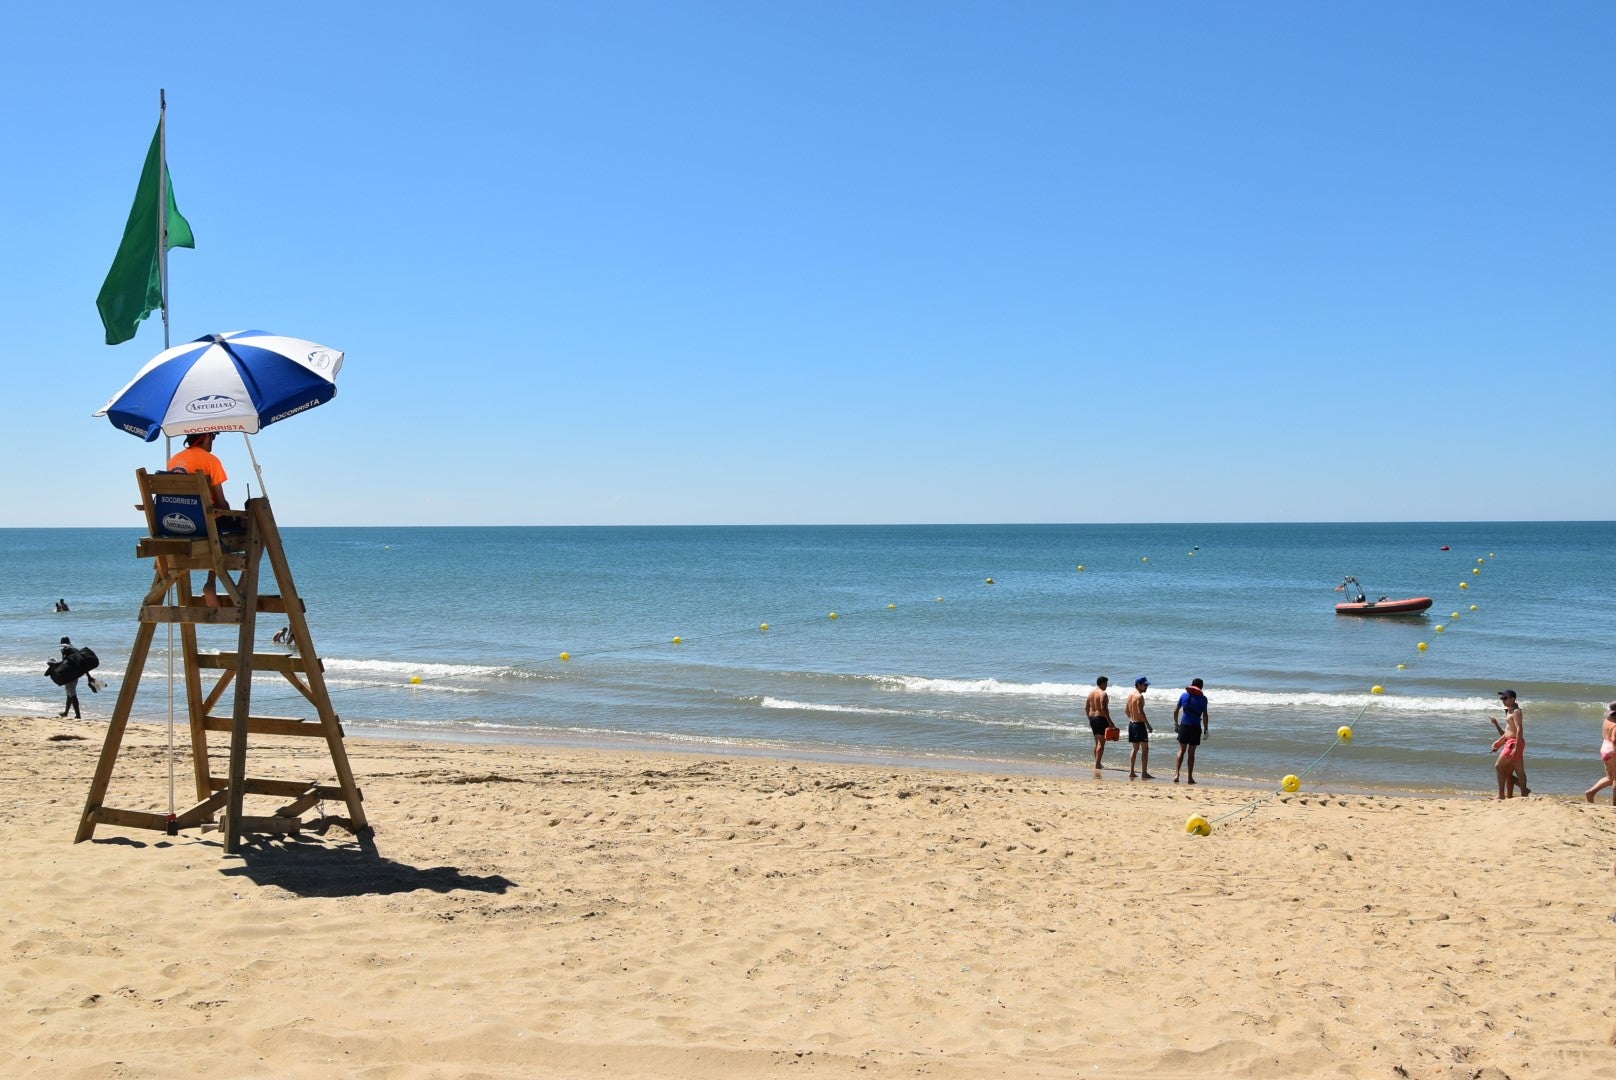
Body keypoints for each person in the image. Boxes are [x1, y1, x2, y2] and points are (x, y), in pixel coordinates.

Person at [167, 431, 232, 606]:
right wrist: (229, 511)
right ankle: (212, 585)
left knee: (215, 530)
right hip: (204, 526)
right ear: (204, 437)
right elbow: (220, 502)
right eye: (213, 436)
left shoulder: (174, 460)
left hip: (175, 525)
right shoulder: (211, 461)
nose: (213, 441)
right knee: (254, 531)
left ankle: (214, 586)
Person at [1490, 689, 1529, 799]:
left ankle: (1501, 795)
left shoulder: (1516, 712)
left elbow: (1519, 729)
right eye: (1502, 698)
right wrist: (1498, 743)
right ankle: (1523, 794)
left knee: (1499, 766)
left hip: (1514, 743)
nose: (1503, 700)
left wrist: (1516, 746)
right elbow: (1508, 732)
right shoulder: (1510, 710)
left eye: (1504, 698)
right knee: (1519, 770)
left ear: (1512, 699)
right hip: (1514, 742)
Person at [1173, 678, 1210, 784]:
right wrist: (1206, 729)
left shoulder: (1184, 696)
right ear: (1201, 687)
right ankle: (1189, 777)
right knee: (1191, 753)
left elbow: (1176, 711)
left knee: (1181, 750)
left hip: (1184, 725)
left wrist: (1176, 723)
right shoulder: (1203, 699)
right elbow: (1205, 715)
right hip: (1195, 727)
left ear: (1192, 685)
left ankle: (1177, 774)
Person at [54, 637, 99, 719]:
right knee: (69, 694)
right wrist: (88, 677)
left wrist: (54, 664)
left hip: (70, 675)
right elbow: (82, 664)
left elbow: (65, 662)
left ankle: (78, 715)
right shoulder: (74, 649)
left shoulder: (65, 649)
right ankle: (66, 712)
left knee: (72, 694)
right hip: (75, 674)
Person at [1584, 702, 1616, 804]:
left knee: (1609, 778)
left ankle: (1591, 793)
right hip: (1613, 750)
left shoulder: (1608, 720)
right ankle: (1615, 805)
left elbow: (1605, 735)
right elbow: (1615, 740)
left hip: (1605, 747)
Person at [1085, 676, 1116, 772]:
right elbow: (1103, 708)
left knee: (1097, 743)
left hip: (1093, 718)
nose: (1107, 685)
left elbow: (1086, 708)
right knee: (1101, 743)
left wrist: (1090, 720)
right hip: (1101, 719)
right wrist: (1110, 722)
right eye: (1106, 683)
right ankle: (1097, 764)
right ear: (1101, 683)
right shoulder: (1103, 694)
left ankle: (1097, 762)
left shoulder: (1091, 694)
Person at [1126, 676, 1154, 780]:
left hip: (1132, 724)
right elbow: (1140, 712)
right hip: (1139, 725)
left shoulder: (1130, 695)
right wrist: (1147, 724)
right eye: (1145, 685)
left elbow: (1126, 710)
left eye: (1147, 685)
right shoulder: (1139, 697)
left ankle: (1132, 771)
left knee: (1135, 748)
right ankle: (1144, 773)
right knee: (1145, 749)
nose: (1146, 687)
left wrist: (1132, 719)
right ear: (1138, 685)